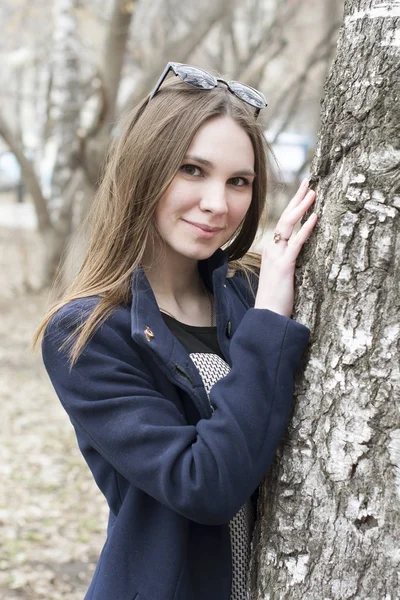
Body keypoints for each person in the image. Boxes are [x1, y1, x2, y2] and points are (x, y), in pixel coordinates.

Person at [34, 62, 318, 600]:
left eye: (239, 181)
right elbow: (203, 483)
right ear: (145, 170)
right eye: (192, 170)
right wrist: (269, 322)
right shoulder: (86, 335)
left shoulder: (251, 288)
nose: (219, 204)